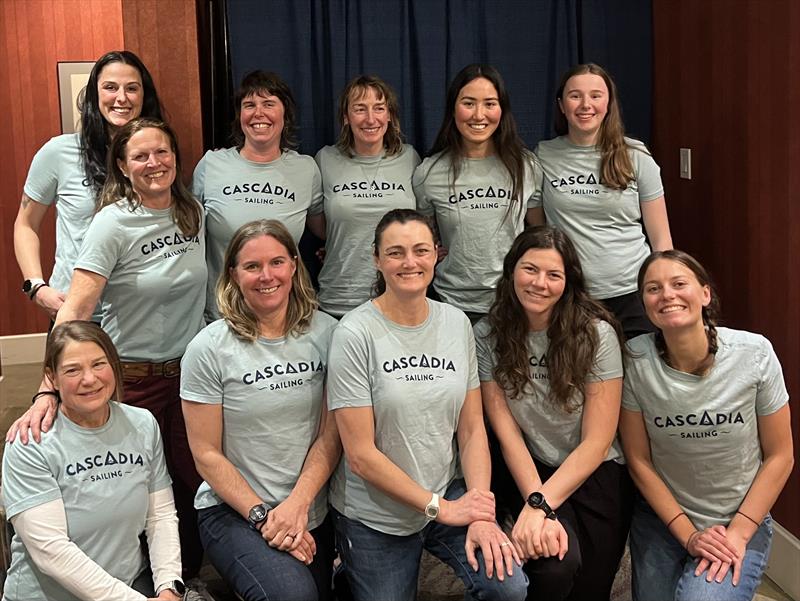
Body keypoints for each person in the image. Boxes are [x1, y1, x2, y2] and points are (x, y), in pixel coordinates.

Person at [12, 118, 211, 598]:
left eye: (161, 152)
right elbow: (76, 312)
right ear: (122, 166)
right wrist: (46, 387)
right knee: (128, 490)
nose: (153, 163)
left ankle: (181, 582)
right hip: (132, 380)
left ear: (175, 158)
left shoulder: (193, 215)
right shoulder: (113, 222)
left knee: (189, 488)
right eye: (140, 156)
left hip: (187, 378)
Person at [327, 208, 528, 601]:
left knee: (508, 589)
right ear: (376, 259)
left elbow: (471, 431)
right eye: (396, 252)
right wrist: (440, 508)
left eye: (421, 250)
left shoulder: (456, 324)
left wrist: (480, 510)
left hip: (445, 490)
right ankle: (347, 574)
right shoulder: (353, 333)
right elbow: (361, 456)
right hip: (375, 514)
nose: (409, 262)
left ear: (437, 255)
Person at [619, 250, 794, 601]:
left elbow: (781, 455)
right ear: (645, 304)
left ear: (705, 294)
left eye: (679, 283)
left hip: (737, 518)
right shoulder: (634, 359)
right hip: (662, 519)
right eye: (653, 289)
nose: (667, 294)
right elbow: (639, 460)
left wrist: (740, 533)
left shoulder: (754, 353)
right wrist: (688, 535)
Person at [181, 219, 340, 601]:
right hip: (235, 510)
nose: (266, 276)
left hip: (310, 509)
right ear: (233, 274)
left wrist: (296, 506)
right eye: (252, 266)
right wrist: (264, 517)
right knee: (291, 596)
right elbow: (206, 455)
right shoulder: (208, 349)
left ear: (295, 266)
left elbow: (331, 436)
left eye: (276, 262)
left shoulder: (330, 334)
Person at [475, 226, 630, 601]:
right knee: (553, 564)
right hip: (532, 465)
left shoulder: (597, 334)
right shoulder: (486, 334)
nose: (539, 283)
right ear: (512, 270)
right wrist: (534, 502)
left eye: (553, 275)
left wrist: (539, 504)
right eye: (530, 269)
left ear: (569, 281)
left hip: (595, 471)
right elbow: (507, 432)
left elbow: (597, 441)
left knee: (589, 591)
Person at [2, 321, 183, 601]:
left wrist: (169, 587)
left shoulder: (142, 424)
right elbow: (52, 551)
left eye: (99, 364)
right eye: (72, 370)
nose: (90, 379)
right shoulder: (30, 443)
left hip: (130, 586)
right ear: (52, 377)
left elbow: (160, 516)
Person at [14, 50, 164, 320]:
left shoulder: (158, 159)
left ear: (144, 97)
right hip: (75, 311)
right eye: (110, 87)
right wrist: (36, 286)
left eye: (132, 88)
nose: (122, 98)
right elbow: (25, 224)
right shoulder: (59, 152)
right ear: (94, 94)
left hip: (137, 316)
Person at [531, 63, 673, 338]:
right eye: (575, 96)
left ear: (609, 103)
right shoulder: (544, 156)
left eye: (596, 95)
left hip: (632, 293)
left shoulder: (635, 155)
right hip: (573, 295)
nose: (586, 105)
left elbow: (661, 240)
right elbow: (540, 232)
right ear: (562, 105)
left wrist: (662, 288)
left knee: (638, 378)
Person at [192, 70, 325, 321]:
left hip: (285, 316)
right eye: (249, 105)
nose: (258, 113)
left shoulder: (306, 169)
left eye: (269, 104)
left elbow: (326, 229)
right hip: (224, 316)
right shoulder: (211, 165)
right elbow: (187, 231)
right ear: (239, 115)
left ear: (285, 113)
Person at [413, 64, 541, 322]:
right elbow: (422, 236)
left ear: (502, 110)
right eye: (469, 103)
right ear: (453, 108)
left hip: (512, 303)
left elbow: (539, 235)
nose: (479, 115)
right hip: (450, 303)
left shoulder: (526, 166)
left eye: (490, 104)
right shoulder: (429, 172)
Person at [314, 74, 420, 317]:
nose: (370, 118)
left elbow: (421, 219)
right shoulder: (326, 159)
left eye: (379, 108)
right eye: (360, 109)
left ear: (390, 115)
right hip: (340, 297)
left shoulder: (410, 158)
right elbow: (319, 224)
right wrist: (340, 239)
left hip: (397, 297)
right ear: (345, 118)